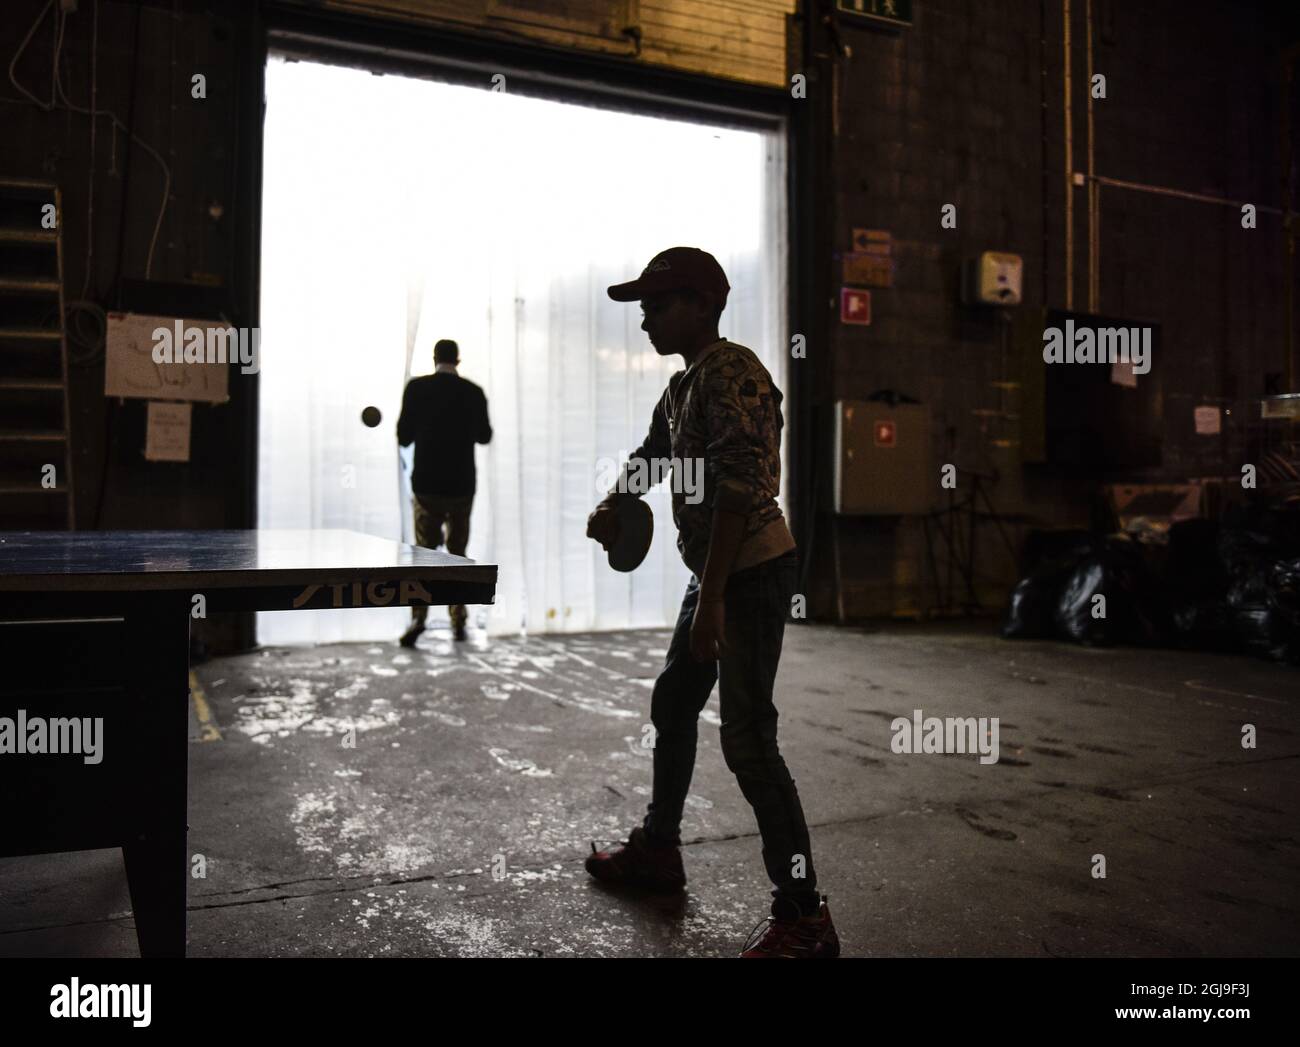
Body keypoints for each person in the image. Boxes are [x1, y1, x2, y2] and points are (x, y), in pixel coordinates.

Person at [584, 247, 839, 958]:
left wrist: (713, 599)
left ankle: (805, 917)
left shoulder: (732, 373)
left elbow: (738, 488)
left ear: (703, 305)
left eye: (658, 306)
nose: (645, 320)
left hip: (748, 572)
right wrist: (616, 499)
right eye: (642, 309)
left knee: (749, 740)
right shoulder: (682, 386)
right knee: (674, 704)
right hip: (718, 573)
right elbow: (652, 455)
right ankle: (659, 849)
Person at [396, 338, 492, 644]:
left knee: (423, 555)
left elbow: (403, 436)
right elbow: (485, 436)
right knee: (457, 554)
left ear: (434, 358)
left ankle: (418, 619)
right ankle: (458, 620)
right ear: (458, 360)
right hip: (461, 484)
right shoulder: (473, 392)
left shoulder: (417, 389)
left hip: (427, 484)